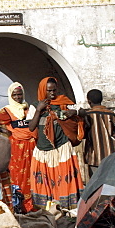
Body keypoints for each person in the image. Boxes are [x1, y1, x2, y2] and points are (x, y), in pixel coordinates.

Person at [27, 76, 84, 210]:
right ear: (43, 90)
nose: (52, 93)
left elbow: (77, 112)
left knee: (64, 179)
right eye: (49, 91)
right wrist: (39, 110)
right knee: (45, 181)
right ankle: (47, 210)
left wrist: (72, 112)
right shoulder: (35, 106)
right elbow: (31, 127)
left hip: (62, 148)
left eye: (54, 90)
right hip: (43, 150)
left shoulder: (62, 103)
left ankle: (66, 209)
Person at [0, 82, 36, 213]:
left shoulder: (29, 109)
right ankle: (19, 204)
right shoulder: (8, 111)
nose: (17, 97)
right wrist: (7, 132)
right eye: (14, 94)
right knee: (18, 175)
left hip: (32, 146)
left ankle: (32, 205)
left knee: (32, 174)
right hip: (17, 148)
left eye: (20, 94)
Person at [82, 89, 115, 177]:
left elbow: (83, 134)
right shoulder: (111, 114)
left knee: (96, 185)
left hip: (94, 157)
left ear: (89, 101)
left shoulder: (87, 115)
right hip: (111, 154)